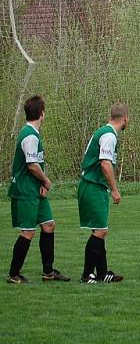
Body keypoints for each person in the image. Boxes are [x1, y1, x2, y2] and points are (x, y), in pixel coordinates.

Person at [6, 96, 70, 284]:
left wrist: (41, 183)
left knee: (49, 225)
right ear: (42, 113)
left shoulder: (32, 132)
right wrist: (46, 181)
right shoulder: (30, 136)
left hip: (36, 188)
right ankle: (13, 274)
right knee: (28, 232)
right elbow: (32, 165)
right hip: (26, 190)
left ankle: (48, 272)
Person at [78, 103, 128, 283]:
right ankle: (86, 274)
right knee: (100, 231)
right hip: (92, 185)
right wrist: (115, 190)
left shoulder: (104, 132)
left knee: (100, 230)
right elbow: (105, 164)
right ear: (125, 119)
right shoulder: (109, 135)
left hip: (94, 186)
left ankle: (103, 273)